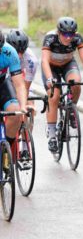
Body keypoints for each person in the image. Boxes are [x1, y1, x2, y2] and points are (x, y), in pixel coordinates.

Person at [41, 16, 83, 153]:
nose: (68, 37)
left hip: (68, 64)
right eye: (65, 34)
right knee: (54, 96)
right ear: (59, 32)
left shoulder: (77, 38)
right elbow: (44, 61)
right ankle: (52, 135)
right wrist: (50, 78)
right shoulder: (50, 38)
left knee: (76, 83)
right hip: (51, 67)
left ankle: (71, 109)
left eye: (71, 34)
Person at [6, 29, 38, 158]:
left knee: (29, 106)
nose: (19, 55)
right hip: (6, 82)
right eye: (16, 51)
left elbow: (24, 86)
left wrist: (24, 103)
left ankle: (25, 147)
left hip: (21, 84)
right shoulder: (6, 53)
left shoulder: (31, 60)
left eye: (22, 51)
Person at [0, 30, 28, 148]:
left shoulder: (9, 52)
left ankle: (6, 150)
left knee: (15, 112)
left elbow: (19, 84)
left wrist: (22, 106)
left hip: (2, 84)